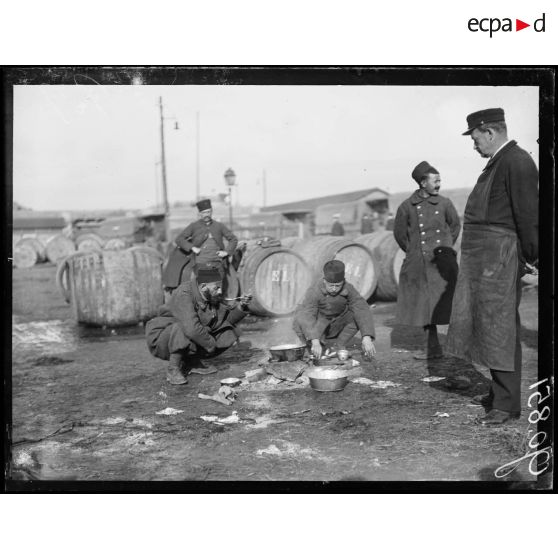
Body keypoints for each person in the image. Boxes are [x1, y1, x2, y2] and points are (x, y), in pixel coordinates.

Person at [445, 108, 538, 425]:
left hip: (500, 258)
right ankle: (500, 395)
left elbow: (528, 217)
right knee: (487, 326)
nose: (474, 145)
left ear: (489, 132)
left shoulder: (517, 161)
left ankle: (508, 405)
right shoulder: (499, 162)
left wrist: (531, 260)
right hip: (486, 260)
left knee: (500, 329)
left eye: (474, 138)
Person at [393, 161, 461, 359]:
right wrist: (414, 251)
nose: (439, 184)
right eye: (435, 181)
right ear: (423, 183)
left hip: (443, 261)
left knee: (452, 302)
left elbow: (455, 226)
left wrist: (446, 249)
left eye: (440, 180)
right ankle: (432, 348)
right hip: (419, 263)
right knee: (423, 307)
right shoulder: (406, 206)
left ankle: (460, 345)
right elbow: (399, 234)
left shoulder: (445, 203)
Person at [146, 265, 251, 385]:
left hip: (185, 333)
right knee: (186, 327)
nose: (220, 291)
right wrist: (211, 344)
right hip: (162, 337)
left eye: (220, 287)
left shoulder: (209, 294)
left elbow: (225, 319)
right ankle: (173, 368)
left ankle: (192, 362)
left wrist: (241, 306)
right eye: (217, 288)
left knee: (228, 331)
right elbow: (191, 328)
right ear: (203, 287)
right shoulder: (184, 293)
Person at [292, 260, 376, 360]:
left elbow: (361, 308)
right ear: (324, 281)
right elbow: (308, 315)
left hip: (333, 322)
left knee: (356, 314)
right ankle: (310, 343)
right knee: (301, 318)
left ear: (343, 281)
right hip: (317, 323)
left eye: (338, 285)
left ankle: (338, 345)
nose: (334, 289)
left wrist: (366, 337)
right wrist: (314, 340)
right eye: (331, 285)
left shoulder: (348, 288)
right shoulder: (314, 291)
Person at [162, 198, 238, 290]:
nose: (206, 215)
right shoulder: (194, 226)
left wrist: (226, 252)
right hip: (200, 260)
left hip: (217, 260)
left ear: (211, 211)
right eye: (204, 212)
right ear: (200, 214)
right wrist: (192, 247)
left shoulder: (219, 226)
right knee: (204, 289)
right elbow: (179, 239)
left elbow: (233, 239)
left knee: (217, 290)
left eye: (208, 212)